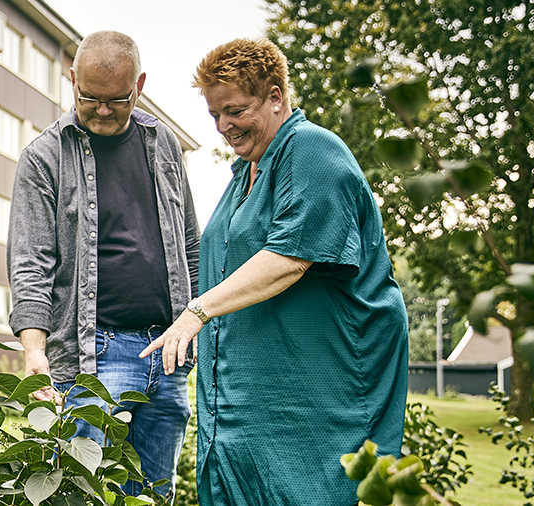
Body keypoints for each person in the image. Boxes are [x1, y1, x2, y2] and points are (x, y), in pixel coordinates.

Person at [139, 38, 409, 504]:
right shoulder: (245, 174)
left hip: (315, 394)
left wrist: (197, 312)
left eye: (236, 110)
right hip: (253, 398)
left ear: (277, 96)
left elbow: (289, 258)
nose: (225, 126)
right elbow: (223, 261)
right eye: (214, 115)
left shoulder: (313, 152)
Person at [7, 31, 200, 500]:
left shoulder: (163, 143)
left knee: (155, 493)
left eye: (118, 99)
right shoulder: (44, 157)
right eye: (89, 97)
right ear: (72, 81)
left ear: (140, 84)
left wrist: (197, 325)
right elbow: (30, 263)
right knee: (85, 491)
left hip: (168, 350)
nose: (104, 110)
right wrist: (35, 351)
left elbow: (189, 241)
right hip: (95, 356)